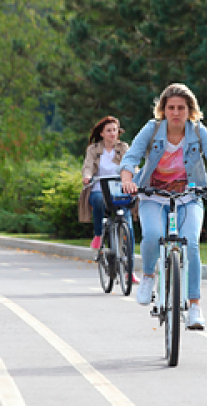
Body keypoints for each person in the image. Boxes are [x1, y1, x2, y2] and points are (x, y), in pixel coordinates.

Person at [120, 83, 207, 330]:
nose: (176, 112)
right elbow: (131, 157)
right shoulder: (153, 128)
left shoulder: (199, 131)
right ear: (163, 109)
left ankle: (194, 306)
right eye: (171, 107)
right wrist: (128, 180)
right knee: (153, 235)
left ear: (190, 110)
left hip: (189, 196)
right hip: (153, 195)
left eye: (181, 107)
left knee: (190, 243)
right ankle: (148, 276)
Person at [79, 116, 140, 284]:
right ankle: (98, 234)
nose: (113, 133)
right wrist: (87, 176)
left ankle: (129, 271)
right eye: (109, 130)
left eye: (115, 130)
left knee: (128, 227)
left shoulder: (123, 147)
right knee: (98, 200)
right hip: (100, 188)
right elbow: (88, 166)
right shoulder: (94, 149)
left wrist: (136, 176)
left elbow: (132, 164)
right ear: (102, 133)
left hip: (121, 190)